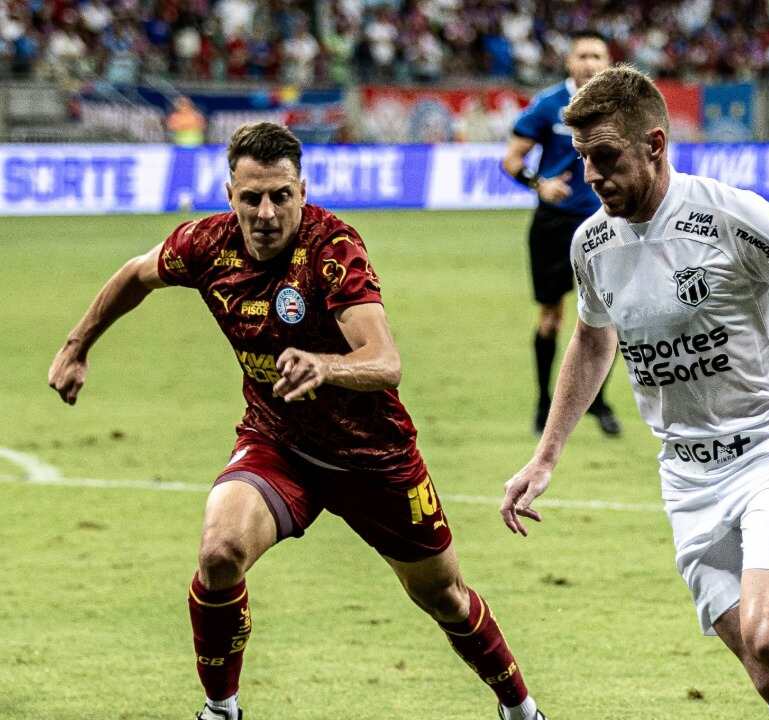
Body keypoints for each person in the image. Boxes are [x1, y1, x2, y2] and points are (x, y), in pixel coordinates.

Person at [48, 122, 545, 720]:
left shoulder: (333, 249)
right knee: (220, 552)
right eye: (251, 197)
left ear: (302, 192)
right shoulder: (207, 244)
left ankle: (521, 709)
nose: (266, 213)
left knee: (445, 597)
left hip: (373, 457)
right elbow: (136, 273)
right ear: (230, 195)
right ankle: (220, 708)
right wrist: (77, 346)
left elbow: (386, 362)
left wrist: (324, 366)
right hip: (278, 443)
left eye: (281, 196)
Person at [501, 66, 769, 720]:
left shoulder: (730, 215)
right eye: (583, 158)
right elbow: (592, 342)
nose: (590, 175)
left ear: (654, 144)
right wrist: (546, 457)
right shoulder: (591, 243)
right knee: (768, 678)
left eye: (605, 156)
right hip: (686, 473)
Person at [501, 29, 620, 436]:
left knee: (610, 317)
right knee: (551, 316)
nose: (590, 63)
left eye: (597, 56)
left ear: (607, 62)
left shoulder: (620, 106)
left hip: (606, 223)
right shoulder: (549, 105)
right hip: (553, 224)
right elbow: (511, 159)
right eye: (582, 55)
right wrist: (540, 185)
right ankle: (543, 402)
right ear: (569, 62)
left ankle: (598, 401)